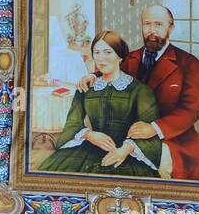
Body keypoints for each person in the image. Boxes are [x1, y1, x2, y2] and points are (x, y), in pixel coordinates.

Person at [77, 5, 199, 180]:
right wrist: (92, 75)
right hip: (130, 134)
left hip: (172, 138)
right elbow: (112, 69)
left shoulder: (189, 64)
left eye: (158, 25)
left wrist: (155, 128)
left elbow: (192, 109)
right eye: (147, 24)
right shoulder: (131, 58)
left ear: (171, 27)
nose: (152, 31)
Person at [38, 31, 162, 177]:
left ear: (120, 55)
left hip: (128, 153)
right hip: (88, 148)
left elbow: (150, 134)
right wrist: (89, 135)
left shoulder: (140, 91)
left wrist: (124, 150)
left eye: (108, 52)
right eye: (96, 52)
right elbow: (72, 124)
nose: (101, 59)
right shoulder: (86, 87)